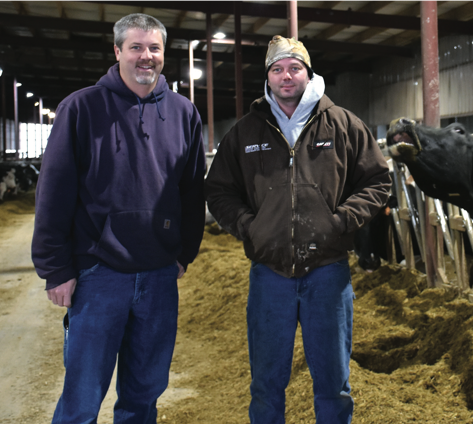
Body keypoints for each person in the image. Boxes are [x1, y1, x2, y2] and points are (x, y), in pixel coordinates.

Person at [31, 13, 206, 424]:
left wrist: (185, 252)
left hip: (160, 275)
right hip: (98, 273)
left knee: (144, 394)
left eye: (154, 48)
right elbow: (53, 192)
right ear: (117, 51)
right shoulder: (81, 107)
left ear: (165, 54)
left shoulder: (184, 113)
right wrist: (55, 269)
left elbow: (192, 191)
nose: (146, 56)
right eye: (136, 47)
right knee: (82, 395)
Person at [205, 36, 390, 423]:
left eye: (294, 68)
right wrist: (250, 228)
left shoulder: (342, 124)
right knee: (266, 382)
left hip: (328, 271)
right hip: (269, 273)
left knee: (334, 382)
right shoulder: (245, 132)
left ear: (308, 73)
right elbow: (219, 190)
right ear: (268, 78)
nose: (286, 76)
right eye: (277, 69)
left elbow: (376, 181)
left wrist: (340, 222)